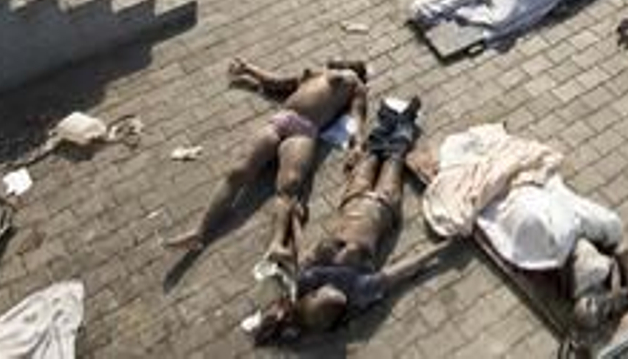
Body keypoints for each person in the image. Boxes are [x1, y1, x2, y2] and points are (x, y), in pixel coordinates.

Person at [249, 99, 441, 342]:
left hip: (353, 200)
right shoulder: (359, 290)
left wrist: (297, 221)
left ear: (313, 296)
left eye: (321, 301)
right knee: (395, 158)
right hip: (384, 205)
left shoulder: (309, 278)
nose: (333, 300)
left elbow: (301, 249)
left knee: (371, 154)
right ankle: (406, 121)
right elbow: (401, 271)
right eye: (333, 312)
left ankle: (388, 119)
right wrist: (439, 250)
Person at [164, 58, 369, 254]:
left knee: (289, 186)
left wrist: (358, 143)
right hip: (281, 119)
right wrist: (248, 68)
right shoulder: (314, 74)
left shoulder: (353, 82)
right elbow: (275, 82)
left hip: (304, 131)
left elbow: (358, 115)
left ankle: (277, 244)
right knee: (237, 172)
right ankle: (199, 231)